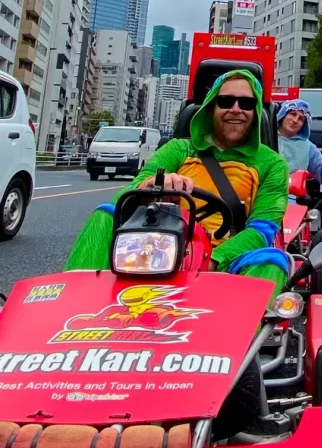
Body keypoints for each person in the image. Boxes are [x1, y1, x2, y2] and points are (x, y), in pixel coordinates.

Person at [66, 70, 290, 298]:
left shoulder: (272, 164)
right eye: (225, 101)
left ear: (255, 111)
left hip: (224, 260)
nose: (235, 109)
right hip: (156, 247)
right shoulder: (178, 149)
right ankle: (76, 299)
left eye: (246, 103)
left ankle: (245, 321)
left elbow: (262, 230)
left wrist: (213, 260)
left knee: (273, 260)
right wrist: (152, 185)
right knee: (105, 214)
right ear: (211, 108)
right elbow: (124, 197)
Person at [276, 98, 322, 184]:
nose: (295, 120)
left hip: (290, 192)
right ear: (283, 114)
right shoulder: (265, 135)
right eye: (293, 114)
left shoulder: (307, 148)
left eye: (301, 119)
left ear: (304, 125)